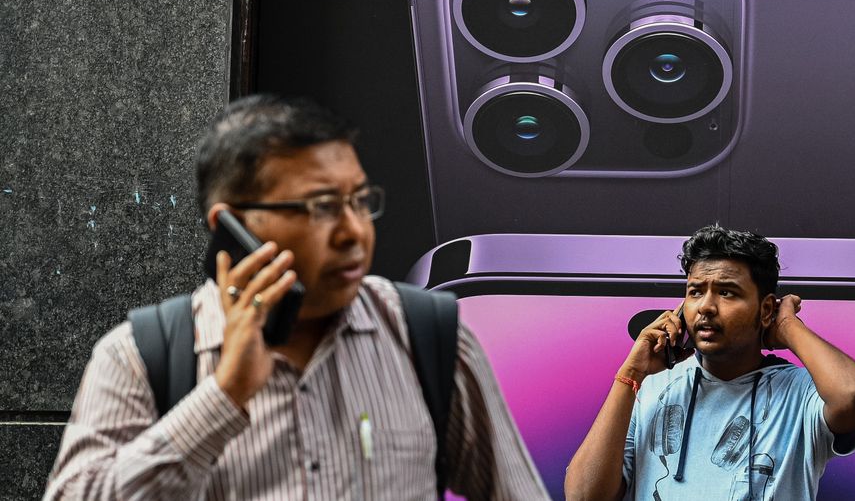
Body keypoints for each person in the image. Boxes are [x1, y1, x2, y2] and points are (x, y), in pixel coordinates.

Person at [45, 94, 549, 500]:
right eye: (322, 207)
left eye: (359, 201)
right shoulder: (139, 357)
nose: (355, 232)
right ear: (233, 226)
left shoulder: (431, 337)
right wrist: (222, 398)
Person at [565, 225, 855, 501]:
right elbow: (582, 496)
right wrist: (631, 374)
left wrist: (787, 327)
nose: (706, 307)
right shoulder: (647, 389)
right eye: (695, 291)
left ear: (766, 309)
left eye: (727, 292)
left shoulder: (803, 394)